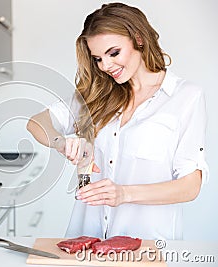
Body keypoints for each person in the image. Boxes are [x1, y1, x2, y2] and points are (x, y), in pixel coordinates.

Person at [26, 2, 208, 240]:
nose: (106, 66)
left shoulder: (186, 97)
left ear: (138, 39)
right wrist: (62, 143)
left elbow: (190, 185)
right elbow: (36, 123)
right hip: (86, 240)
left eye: (113, 53)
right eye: (98, 59)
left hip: (148, 246)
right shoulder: (97, 96)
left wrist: (123, 194)